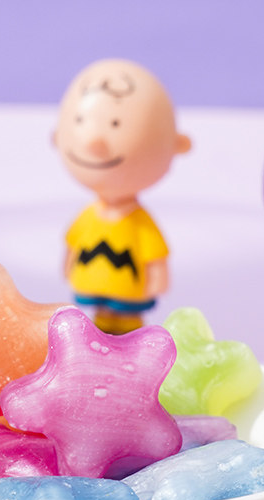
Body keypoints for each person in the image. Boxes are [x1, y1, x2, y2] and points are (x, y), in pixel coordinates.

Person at [54, 59, 191, 334]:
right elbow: (73, 244)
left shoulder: (140, 222)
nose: (94, 142)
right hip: (93, 289)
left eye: (115, 124)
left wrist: (157, 278)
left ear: (176, 145)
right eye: (81, 121)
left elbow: (155, 255)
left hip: (129, 295)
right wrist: (68, 266)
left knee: (128, 328)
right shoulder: (88, 217)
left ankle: (129, 339)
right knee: (98, 327)